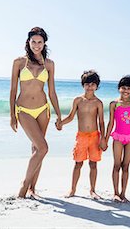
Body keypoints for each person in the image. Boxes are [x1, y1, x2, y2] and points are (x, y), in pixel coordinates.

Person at [9, 27, 62, 199]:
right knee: (43, 148)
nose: (36, 45)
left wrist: (59, 114)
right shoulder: (18, 62)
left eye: (40, 42)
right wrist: (12, 115)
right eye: (33, 41)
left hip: (43, 110)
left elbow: (52, 92)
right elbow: (13, 90)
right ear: (28, 42)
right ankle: (24, 187)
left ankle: (33, 188)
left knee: (37, 148)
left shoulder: (49, 64)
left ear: (44, 43)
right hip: (23, 110)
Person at [56, 70, 105, 200]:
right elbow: (71, 117)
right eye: (87, 84)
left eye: (93, 84)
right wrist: (61, 123)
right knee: (78, 163)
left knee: (93, 164)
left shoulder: (98, 102)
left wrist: (104, 138)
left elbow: (101, 121)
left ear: (97, 86)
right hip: (81, 136)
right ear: (83, 85)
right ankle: (72, 189)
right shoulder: (78, 100)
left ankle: (93, 190)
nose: (90, 86)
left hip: (95, 136)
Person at [104, 75, 130, 203]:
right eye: (123, 88)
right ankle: (115, 193)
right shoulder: (114, 104)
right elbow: (110, 123)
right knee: (116, 165)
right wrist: (105, 139)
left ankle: (123, 193)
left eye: (129, 88)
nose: (126, 90)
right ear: (119, 88)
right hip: (118, 138)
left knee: (126, 166)